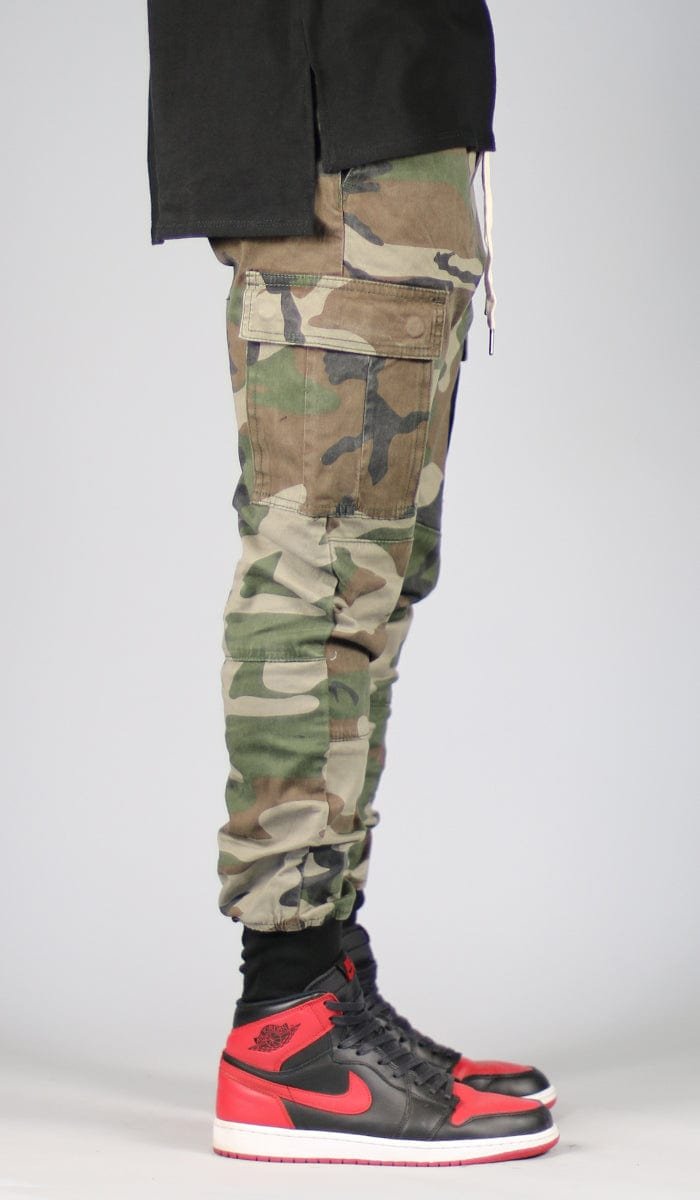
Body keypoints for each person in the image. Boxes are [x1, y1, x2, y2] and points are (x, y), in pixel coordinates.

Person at [146, 0, 559, 1166]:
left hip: (388, 120)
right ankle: (287, 1027)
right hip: (337, 132)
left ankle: (325, 979)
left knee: (369, 580)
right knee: (323, 575)